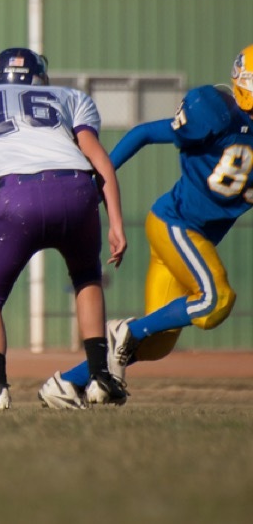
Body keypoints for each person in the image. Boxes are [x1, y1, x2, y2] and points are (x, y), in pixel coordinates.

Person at [40, 44, 253, 407]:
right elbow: (143, 133)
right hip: (176, 225)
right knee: (216, 300)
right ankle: (126, 329)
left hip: (192, 239)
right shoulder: (217, 114)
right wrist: (97, 184)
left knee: (155, 345)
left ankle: (65, 383)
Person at [0, 48, 127, 411]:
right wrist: (116, 221)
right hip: (78, 190)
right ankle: (100, 377)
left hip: (18, 194)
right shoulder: (69, 96)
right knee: (87, 277)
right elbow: (99, 159)